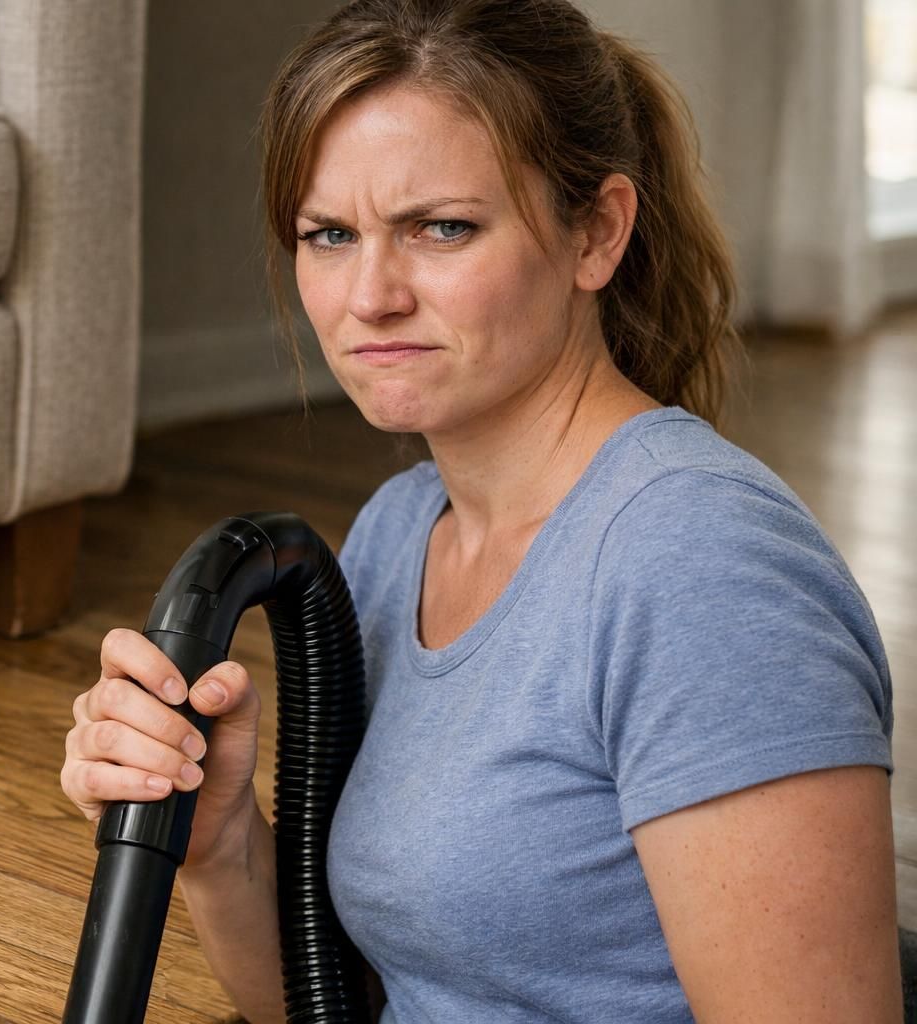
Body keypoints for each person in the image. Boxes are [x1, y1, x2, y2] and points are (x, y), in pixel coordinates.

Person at [60, 0, 900, 1019]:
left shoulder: (701, 570)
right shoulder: (398, 534)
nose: (369, 295)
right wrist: (219, 838)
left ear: (596, 234)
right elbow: (347, 998)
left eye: (441, 228)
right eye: (329, 234)